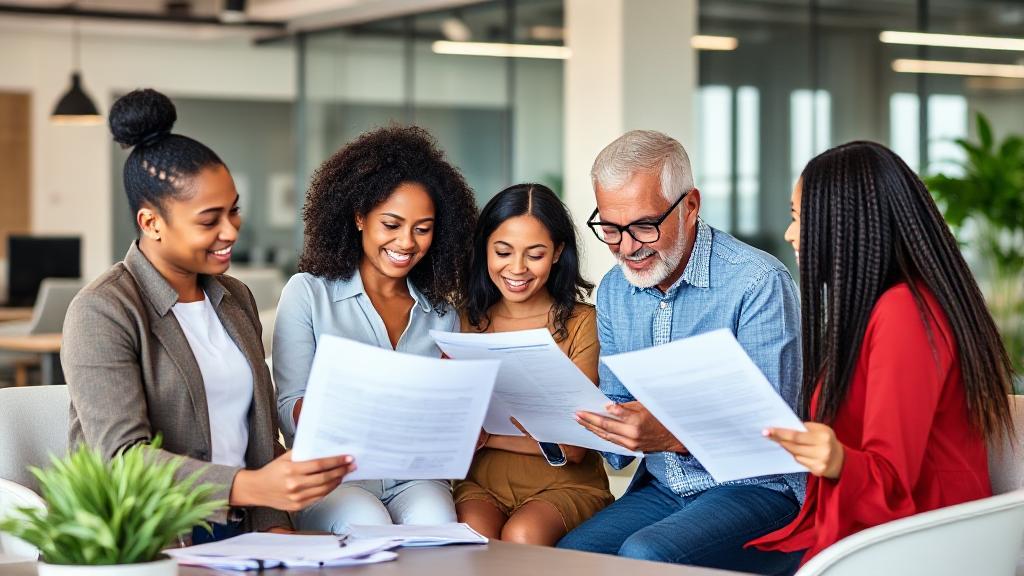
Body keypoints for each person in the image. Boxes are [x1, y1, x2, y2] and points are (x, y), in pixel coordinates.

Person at [62, 89, 354, 543]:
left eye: (233, 210)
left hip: (241, 534)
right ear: (150, 222)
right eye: (209, 219)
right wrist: (252, 487)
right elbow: (122, 460)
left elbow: (255, 439)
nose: (231, 229)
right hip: (149, 539)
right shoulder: (104, 310)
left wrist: (276, 525)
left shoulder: (235, 298)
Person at [747, 141, 1014, 566]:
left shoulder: (905, 312)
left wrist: (835, 458)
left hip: (919, 542)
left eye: (798, 217)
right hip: (892, 533)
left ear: (845, 224)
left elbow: (892, 479)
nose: (789, 234)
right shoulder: (883, 309)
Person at [557, 130, 805, 575]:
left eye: (643, 226)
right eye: (611, 229)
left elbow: (777, 438)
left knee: (646, 555)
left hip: (758, 488)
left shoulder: (758, 282)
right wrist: (563, 413)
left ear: (690, 206)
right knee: (572, 555)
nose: (627, 247)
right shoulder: (616, 290)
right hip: (666, 486)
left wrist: (671, 435)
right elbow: (618, 438)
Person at [273, 125, 478, 531]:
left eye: (423, 228)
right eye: (392, 224)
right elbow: (288, 412)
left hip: (412, 475)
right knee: (366, 519)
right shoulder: (308, 294)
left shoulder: (441, 314)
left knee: (437, 519)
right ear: (360, 217)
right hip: (332, 477)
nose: (407, 242)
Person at [455, 183, 614, 546]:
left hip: (565, 485)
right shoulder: (462, 321)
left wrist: (488, 436)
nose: (517, 268)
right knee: (471, 538)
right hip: (480, 483)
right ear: (485, 250)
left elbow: (573, 447)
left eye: (535, 254)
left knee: (522, 534)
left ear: (558, 252)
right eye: (503, 251)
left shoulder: (582, 323)